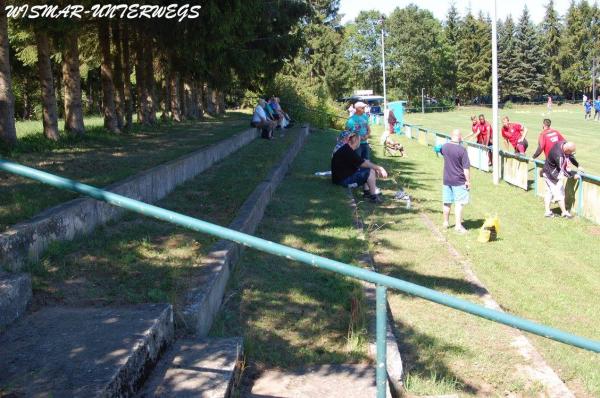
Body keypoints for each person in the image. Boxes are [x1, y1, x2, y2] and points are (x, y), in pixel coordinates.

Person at [331, 132, 388, 204]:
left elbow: (362, 162)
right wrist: (380, 168)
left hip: (340, 178)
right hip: (342, 181)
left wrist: (376, 168)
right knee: (369, 172)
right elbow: (363, 163)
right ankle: (373, 197)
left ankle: (367, 192)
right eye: (359, 140)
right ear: (356, 141)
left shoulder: (347, 149)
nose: (360, 143)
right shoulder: (348, 151)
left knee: (369, 170)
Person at [440, 129, 471, 233]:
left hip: (446, 179)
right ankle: (458, 226)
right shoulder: (462, 150)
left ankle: (445, 222)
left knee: (447, 202)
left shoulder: (444, 147)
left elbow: (440, 150)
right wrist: (468, 181)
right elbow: (466, 169)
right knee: (459, 203)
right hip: (458, 181)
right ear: (459, 137)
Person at [542, 141, 582, 218]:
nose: (571, 154)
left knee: (549, 192)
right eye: (570, 152)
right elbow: (562, 169)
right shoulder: (559, 155)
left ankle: (547, 212)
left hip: (547, 171)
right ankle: (564, 212)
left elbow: (570, 156)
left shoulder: (563, 143)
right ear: (567, 149)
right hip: (551, 175)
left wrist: (578, 165)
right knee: (560, 193)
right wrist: (572, 176)